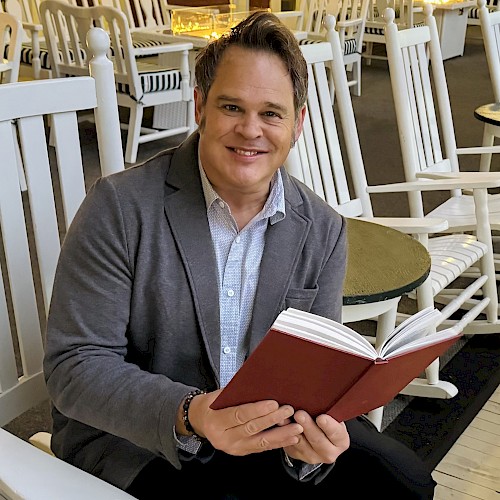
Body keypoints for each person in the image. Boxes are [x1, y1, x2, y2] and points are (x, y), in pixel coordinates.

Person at [43, 10, 436, 499]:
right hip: (145, 437)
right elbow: (75, 367)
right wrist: (191, 413)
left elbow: (319, 377)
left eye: (271, 112)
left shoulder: (322, 230)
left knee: (406, 483)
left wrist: (310, 450)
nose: (251, 130)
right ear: (200, 107)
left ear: (297, 124)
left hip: (270, 429)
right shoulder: (119, 208)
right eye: (232, 107)